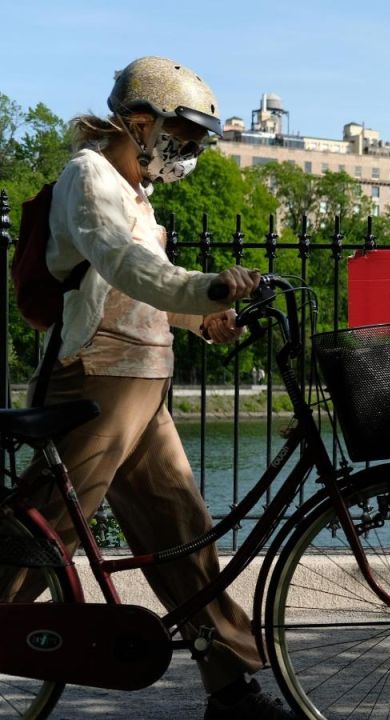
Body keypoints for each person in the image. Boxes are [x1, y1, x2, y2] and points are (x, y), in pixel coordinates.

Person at [12, 57, 294, 719]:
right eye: (185, 138)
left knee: (182, 537)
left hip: (143, 382)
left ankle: (231, 691)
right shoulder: (90, 177)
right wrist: (207, 284)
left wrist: (204, 318)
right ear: (140, 123)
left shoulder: (138, 192)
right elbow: (126, 265)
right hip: (95, 381)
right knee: (46, 534)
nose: (190, 153)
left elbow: (144, 294)